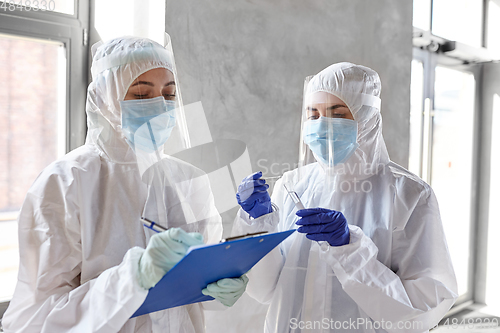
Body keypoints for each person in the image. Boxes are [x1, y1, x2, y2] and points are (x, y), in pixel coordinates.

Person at [2, 35, 247, 333]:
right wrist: (134, 277)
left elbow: (199, 287)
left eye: (169, 95)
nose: (160, 107)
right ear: (105, 99)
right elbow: (38, 320)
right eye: (142, 96)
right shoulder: (65, 183)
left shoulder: (189, 180)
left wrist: (220, 282)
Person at [233, 62, 458, 332]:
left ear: (366, 117)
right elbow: (265, 290)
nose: (321, 125)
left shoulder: (409, 196)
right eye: (313, 114)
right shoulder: (293, 184)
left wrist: (350, 250)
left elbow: (421, 311)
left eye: (336, 114)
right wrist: (257, 226)